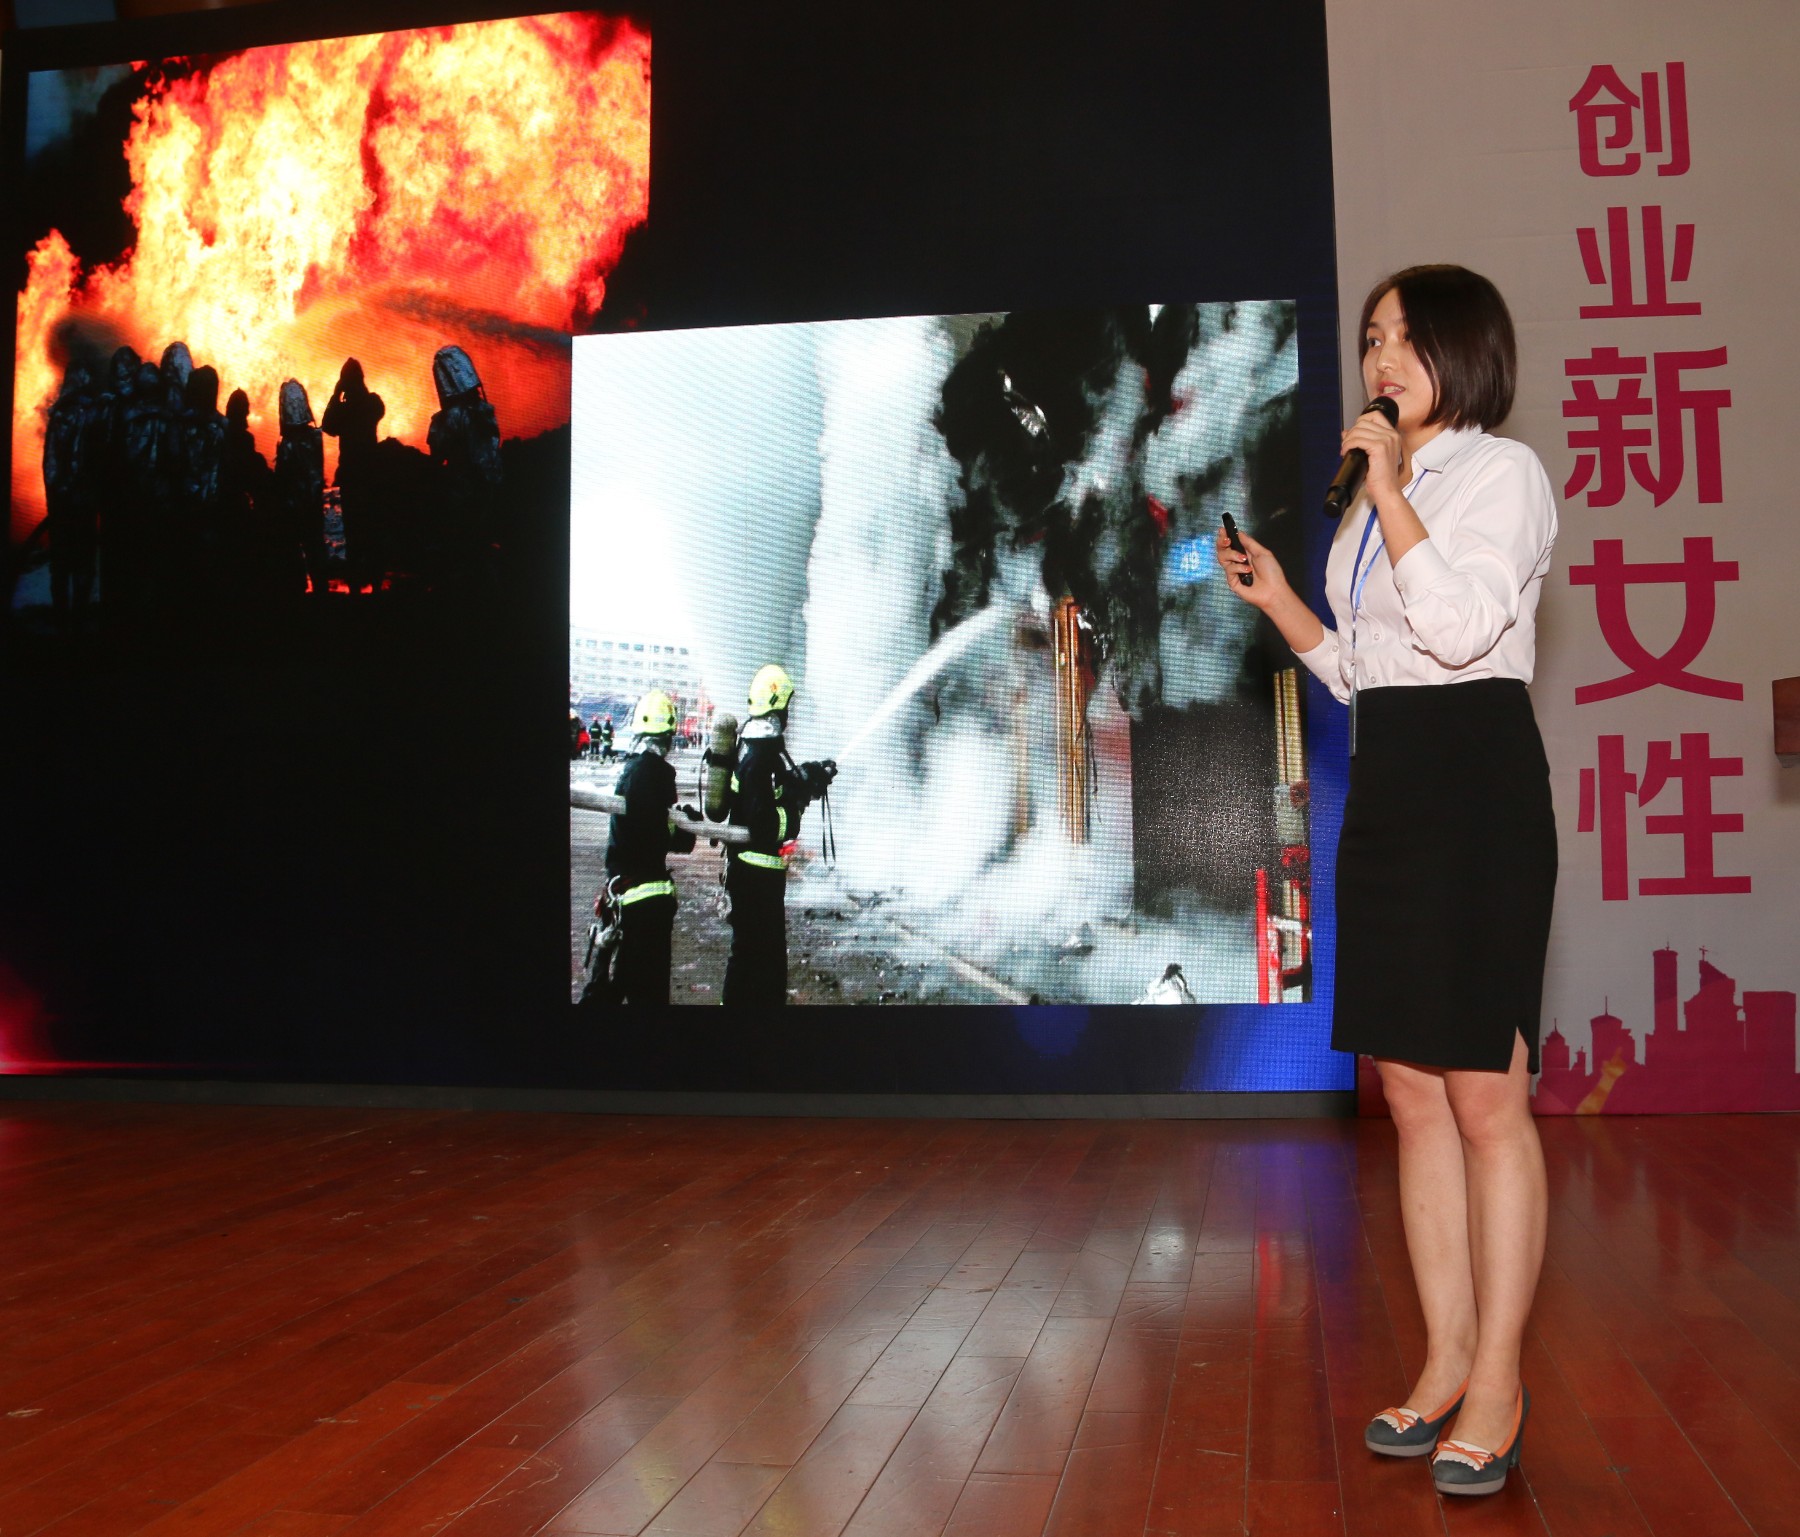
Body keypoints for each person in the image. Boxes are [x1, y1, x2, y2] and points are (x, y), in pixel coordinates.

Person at [1215, 265, 1556, 1498]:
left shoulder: (1501, 474)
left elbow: (1461, 631)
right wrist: (1284, 603)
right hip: (1392, 789)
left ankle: (1501, 1378)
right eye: (1372, 338)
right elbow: (1369, 672)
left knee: (1485, 1100)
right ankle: (1447, 1355)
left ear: (1466, 350)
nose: (1381, 358)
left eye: (1406, 338)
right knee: (1410, 1096)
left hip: (1478, 791)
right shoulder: (1374, 504)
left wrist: (1394, 491)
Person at [721, 665, 837, 1007]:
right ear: (778, 707)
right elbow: (764, 824)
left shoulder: (757, 746)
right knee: (762, 963)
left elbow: (778, 787)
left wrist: (808, 775)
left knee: (753, 956)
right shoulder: (760, 755)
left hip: (755, 874)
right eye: (788, 706)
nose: (790, 714)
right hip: (756, 876)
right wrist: (794, 811)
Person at [588, 689, 698, 1006]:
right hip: (643, 905)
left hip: (630, 898)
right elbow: (657, 835)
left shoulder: (635, 770)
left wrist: (681, 823)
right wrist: (681, 826)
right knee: (645, 994)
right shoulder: (653, 773)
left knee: (616, 987)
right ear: (669, 734)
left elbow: (652, 829)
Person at [321, 359, 384, 594]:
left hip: (353, 474)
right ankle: (374, 582)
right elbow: (328, 426)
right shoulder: (372, 402)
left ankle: (357, 583)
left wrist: (336, 394)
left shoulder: (347, 409)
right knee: (370, 528)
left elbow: (328, 425)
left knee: (353, 530)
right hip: (368, 474)